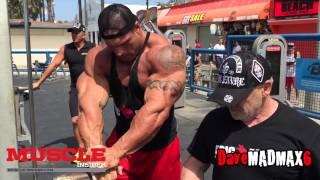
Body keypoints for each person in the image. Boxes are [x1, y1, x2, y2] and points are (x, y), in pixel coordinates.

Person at [76, 4, 186, 180]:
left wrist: (116, 153)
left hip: (160, 150)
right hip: (120, 140)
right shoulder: (99, 59)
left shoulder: (164, 56)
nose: (119, 52)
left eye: (125, 43)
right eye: (112, 47)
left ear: (137, 27)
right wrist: (97, 153)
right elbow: (88, 108)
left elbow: (155, 113)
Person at [182, 52, 320, 180]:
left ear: (266, 88)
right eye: (225, 96)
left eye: (239, 97)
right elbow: (194, 166)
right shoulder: (215, 121)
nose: (231, 104)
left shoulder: (305, 132)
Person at [32, 23, 95, 158]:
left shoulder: (93, 48)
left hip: (91, 89)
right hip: (75, 89)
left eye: (76, 32)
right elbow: (53, 65)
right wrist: (39, 82)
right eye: (72, 32)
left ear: (84, 34)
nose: (74, 34)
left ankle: (93, 148)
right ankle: (81, 149)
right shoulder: (66, 49)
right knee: (75, 120)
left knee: (91, 120)